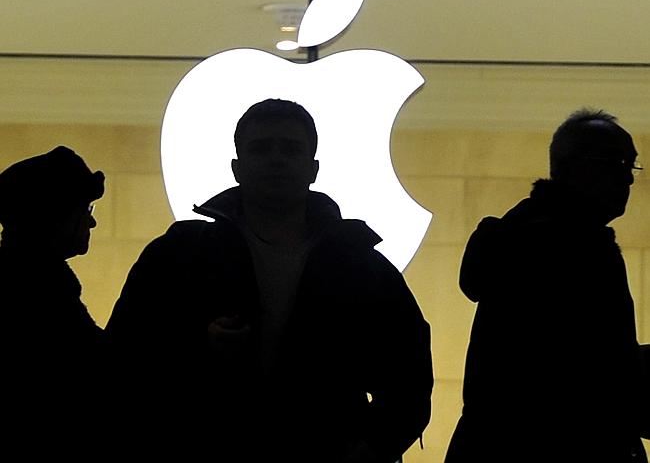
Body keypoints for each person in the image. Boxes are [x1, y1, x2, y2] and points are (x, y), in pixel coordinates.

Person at [105, 98, 434, 462]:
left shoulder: (181, 254)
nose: (276, 159)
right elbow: (124, 357)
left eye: (290, 149)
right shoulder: (177, 255)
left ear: (312, 168)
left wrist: (373, 445)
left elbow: (409, 374)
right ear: (237, 167)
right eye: (262, 148)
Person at [445, 108, 647, 462]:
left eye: (631, 164)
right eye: (616, 162)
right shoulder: (568, 250)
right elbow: (582, 378)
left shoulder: (527, 239)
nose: (628, 179)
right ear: (576, 167)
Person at [0, 145, 105, 450]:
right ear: (54, 217)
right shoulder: (38, 293)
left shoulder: (31, 283)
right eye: (85, 210)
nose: (92, 222)